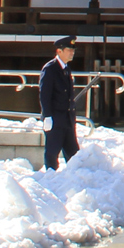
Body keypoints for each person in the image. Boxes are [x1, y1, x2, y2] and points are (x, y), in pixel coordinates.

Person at [39, 36, 80, 171]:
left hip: (67, 119)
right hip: (55, 118)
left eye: (73, 50)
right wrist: (47, 115)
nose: (71, 52)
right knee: (52, 152)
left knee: (74, 154)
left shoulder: (66, 69)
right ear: (59, 51)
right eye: (68, 50)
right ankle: (51, 178)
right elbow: (45, 94)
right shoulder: (50, 69)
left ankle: (76, 177)